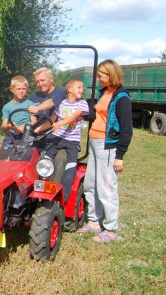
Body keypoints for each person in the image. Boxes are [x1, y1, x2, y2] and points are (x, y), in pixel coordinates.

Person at [77, 59, 132, 243]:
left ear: (111, 74)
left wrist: (120, 156)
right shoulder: (104, 92)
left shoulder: (121, 97)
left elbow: (126, 129)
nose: (98, 78)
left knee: (106, 187)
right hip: (93, 141)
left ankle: (111, 229)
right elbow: (99, 114)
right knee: (90, 184)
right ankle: (93, 221)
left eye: (101, 75)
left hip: (107, 146)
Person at [42, 79, 89, 202]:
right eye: (79, 87)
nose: (82, 90)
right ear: (69, 89)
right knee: (45, 161)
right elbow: (53, 119)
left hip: (71, 142)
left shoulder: (82, 103)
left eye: (82, 88)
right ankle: (42, 191)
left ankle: (64, 199)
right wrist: (37, 130)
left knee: (70, 169)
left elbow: (75, 116)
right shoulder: (61, 103)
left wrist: (61, 122)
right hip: (57, 138)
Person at [1, 75, 36, 146]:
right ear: (12, 89)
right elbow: (4, 125)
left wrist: (25, 127)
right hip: (12, 135)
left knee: (27, 152)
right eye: (18, 89)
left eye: (24, 89)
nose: (21, 91)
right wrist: (10, 127)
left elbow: (34, 121)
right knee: (5, 152)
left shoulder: (31, 104)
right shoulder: (7, 107)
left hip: (26, 134)